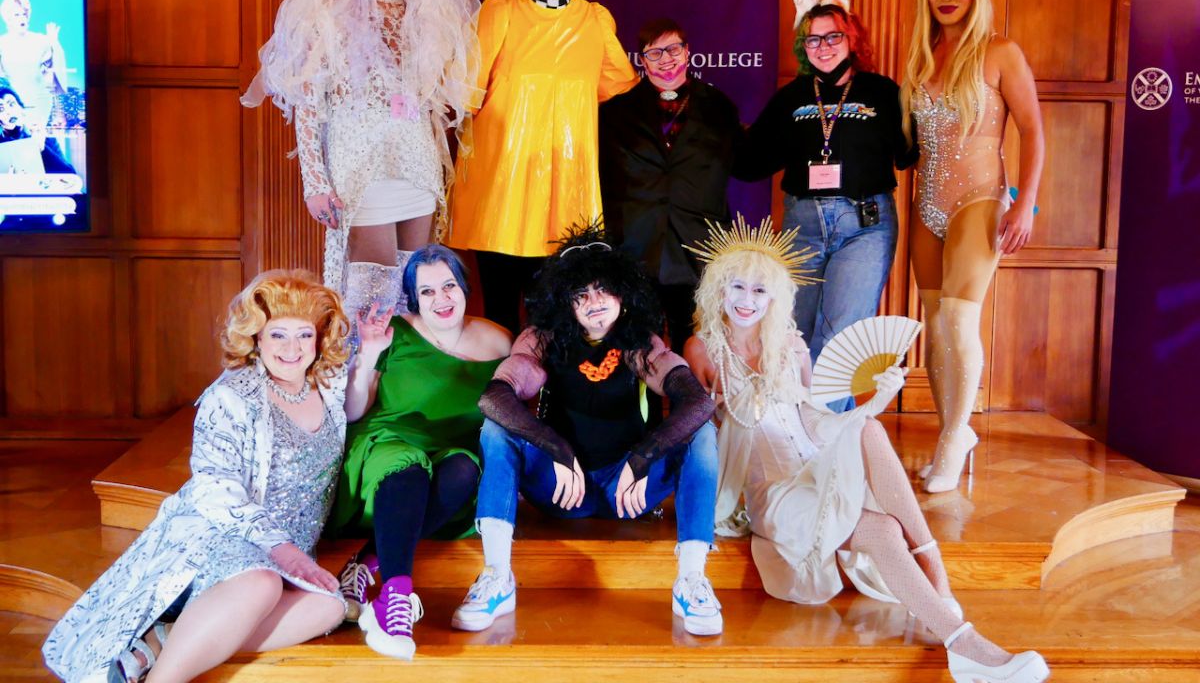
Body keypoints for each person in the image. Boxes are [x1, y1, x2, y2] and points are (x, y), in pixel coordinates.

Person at [684, 217, 1050, 683]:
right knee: (875, 512)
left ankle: (954, 624)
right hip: (770, 493)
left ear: (774, 298)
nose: (746, 301)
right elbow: (705, 413)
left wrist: (872, 402)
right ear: (719, 290)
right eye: (738, 287)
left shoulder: (792, 347)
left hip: (810, 467)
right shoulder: (703, 349)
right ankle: (953, 615)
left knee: (871, 441)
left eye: (760, 291)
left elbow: (813, 419)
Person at [42, 269, 351, 683]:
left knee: (330, 606)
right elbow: (212, 489)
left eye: (304, 335)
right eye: (278, 335)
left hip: (287, 555)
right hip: (224, 539)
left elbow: (357, 405)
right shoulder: (230, 395)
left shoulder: (325, 385)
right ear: (257, 337)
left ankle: (164, 637)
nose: (292, 348)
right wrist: (281, 549)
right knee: (261, 586)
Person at [450, 226, 723, 636]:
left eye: (602, 290)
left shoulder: (638, 342)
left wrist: (642, 456)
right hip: (563, 489)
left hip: (627, 489)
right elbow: (495, 398)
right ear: (565, 302)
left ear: (621, 293)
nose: (594, 302)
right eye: (581, 294)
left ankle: (692, 581)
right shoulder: (543, 339)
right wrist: (557, 448)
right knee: (496, 430)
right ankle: (497, 576)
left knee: (701, 433)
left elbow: (698, 402)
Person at [242, 0, 479, 322]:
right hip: (359, 163)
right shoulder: (329, 10)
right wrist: (315, 180)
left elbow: (432, 101)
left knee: (417, 286)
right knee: (372, 293)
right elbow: (308, 102)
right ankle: (360, 388)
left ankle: (402, 388)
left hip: (417, 163)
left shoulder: (426, 14)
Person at [447, 0, 638, 335]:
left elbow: (621, 89)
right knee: (498, 314)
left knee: (557, 322)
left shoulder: (595, 19)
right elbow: (464, 93)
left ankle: (552, 403)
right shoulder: (500, 11)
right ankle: (500, 402)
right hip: (502, 196)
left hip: (566, 199)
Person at [900, 0, 1045, 493]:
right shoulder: (918, 57)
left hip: (981, 201)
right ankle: (951, 432)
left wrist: (1026, 205)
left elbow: (1033, 130)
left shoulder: (1000, 52)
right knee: (935, 326)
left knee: (959, 321)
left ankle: (954, 437)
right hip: (925, 206)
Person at [327, 245, 511, 660]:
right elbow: (355, 409)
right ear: (413, 298)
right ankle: (395, 601)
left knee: (466, 470)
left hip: (450, 449)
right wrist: (369, 352)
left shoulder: (499, 341)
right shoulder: (394, 329)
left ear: (464, 288)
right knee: (409, 470)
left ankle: (369, 559)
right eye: (427, 292)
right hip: (388, 440)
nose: (441, 299)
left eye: (448, 286)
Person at [742, 0, 916, 411]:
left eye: (832, 36)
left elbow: (907, 153)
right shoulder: (791, 99)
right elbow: (747, 161)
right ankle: (794, 435)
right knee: (793, 333)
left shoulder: (880, 91)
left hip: (865, 227)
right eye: (813, 38)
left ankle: (827, 445)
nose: (823, 46)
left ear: (850, 37)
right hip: (802, 226)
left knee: (840, 335)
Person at [599, 17, 747, 356]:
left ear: (687, 52)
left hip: (697, 243)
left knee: (694, 342)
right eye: (654, 52)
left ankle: (691, 409)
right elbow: (603, 176)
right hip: (637, 244)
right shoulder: (616, 112)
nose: (666, 59)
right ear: (642, 60)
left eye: (673, 48)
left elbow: (742, 163)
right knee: (639, 342)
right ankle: (645, 411)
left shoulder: (718, 106)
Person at [0, 0, 68, 130]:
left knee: (37, 144)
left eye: (24, 14)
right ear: (7, 18)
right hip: (13, 104)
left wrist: (54, 43)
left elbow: (53, 76)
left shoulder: (41, 41)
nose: (22, 18)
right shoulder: (1, 43)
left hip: (39, 101)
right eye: (17, 14)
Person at [0, 81, 74, 173]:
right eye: (1, 109)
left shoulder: (43, 137)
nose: (8, 111)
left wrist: (42, 149)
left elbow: (69, 174)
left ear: (21, 108)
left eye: (11, 104)